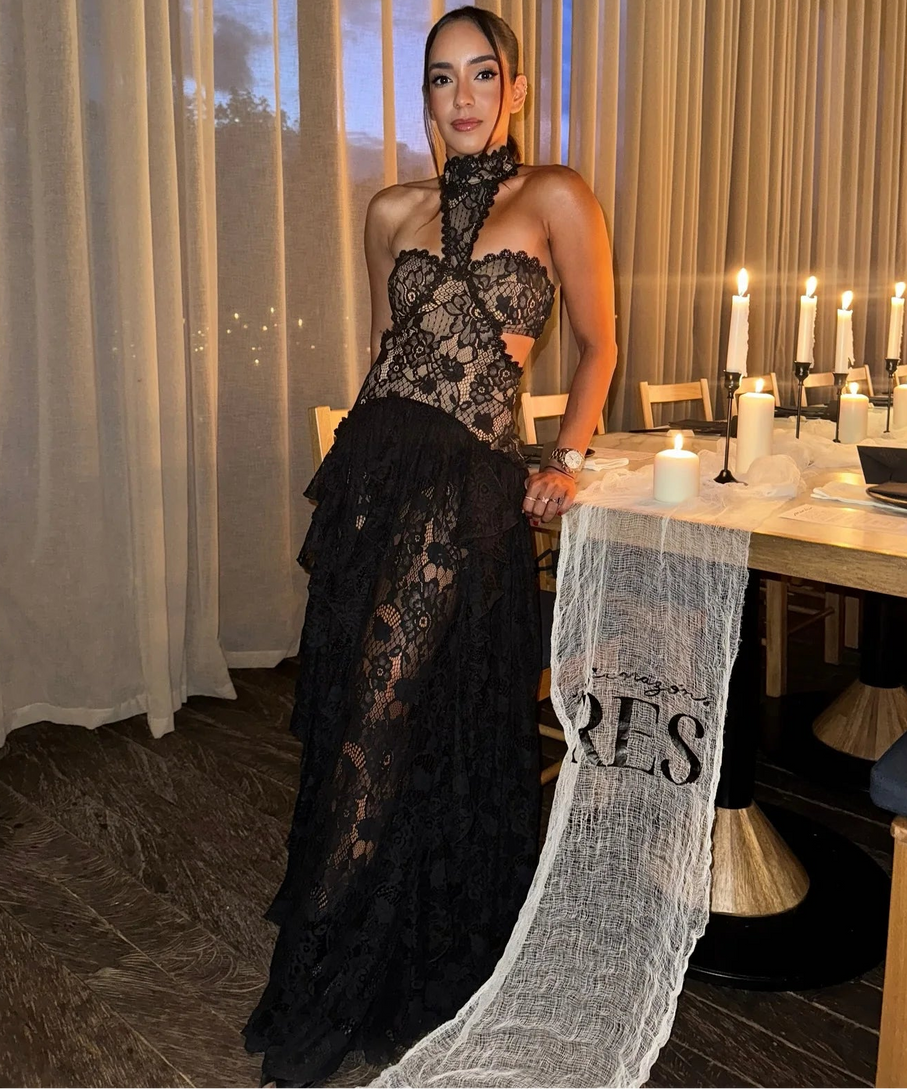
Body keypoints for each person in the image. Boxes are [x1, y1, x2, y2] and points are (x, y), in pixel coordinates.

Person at [243, 7, 616, 1087]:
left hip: (469, 486)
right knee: (356, 711)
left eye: (480, 73)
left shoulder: (554, 195)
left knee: (388, 711)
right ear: (425, 98)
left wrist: (568, 455)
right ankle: (366, 954)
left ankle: (332, 978)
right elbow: (381, 349)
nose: (461, 96)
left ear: (516, 88)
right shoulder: (388, 209)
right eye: (440, 79)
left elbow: (598, 345)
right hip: (375, 473)